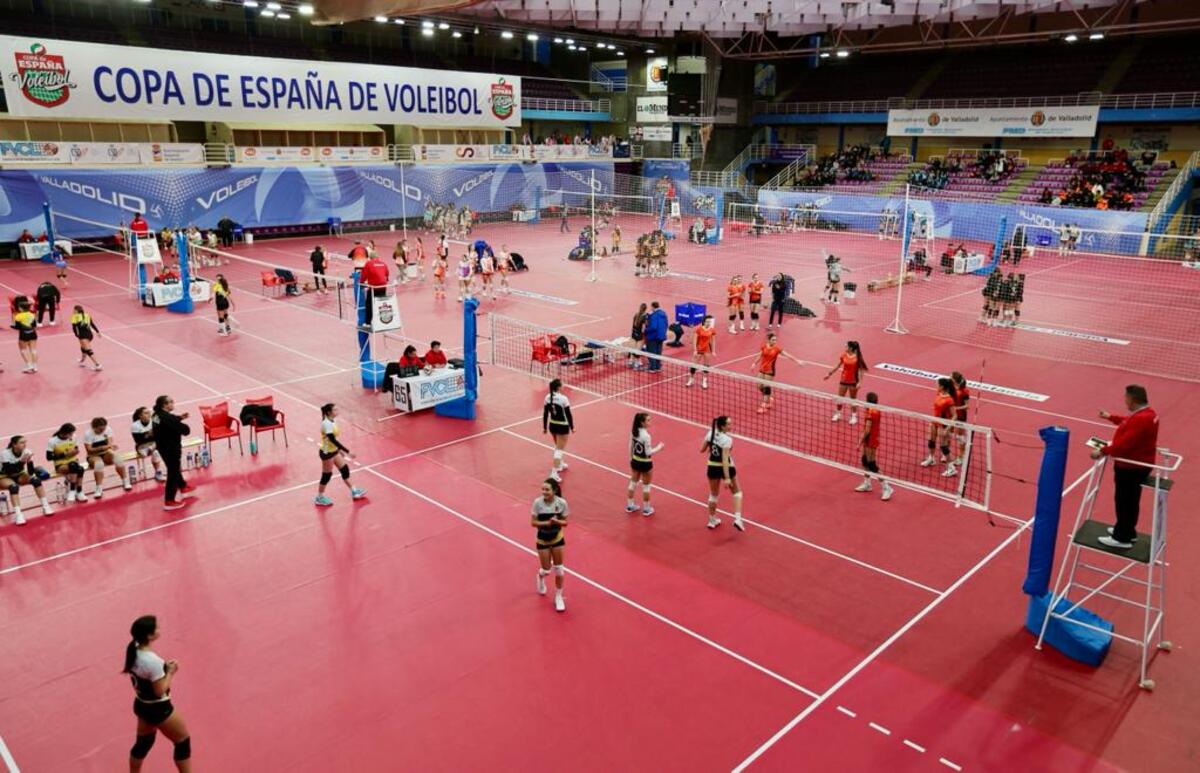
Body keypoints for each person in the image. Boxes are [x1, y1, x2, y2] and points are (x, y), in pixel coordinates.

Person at [123, 615, 193, 773]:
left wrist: (162, 670)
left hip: (141, 704)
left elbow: (145, 676)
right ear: (149, 635)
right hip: (158, 708)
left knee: (144, 742)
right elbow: (159, 690)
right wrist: (170, 672)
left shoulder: (133, 650)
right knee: (182, 741)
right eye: (157, 627)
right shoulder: (152, 661)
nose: (159, 629)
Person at [1093, 385, 1159, 549]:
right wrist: (1110, 417)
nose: (1125, 400)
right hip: (1138, 465)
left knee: (1124, 501)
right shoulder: (1148, 414)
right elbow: (1127, 422)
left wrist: (1102, 451)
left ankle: (1121, 538)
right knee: (1131, 500)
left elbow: (1124, 445)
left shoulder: (1140, 419)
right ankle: (1127, 530)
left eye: (1126, 398)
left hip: (1130, 468)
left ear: (1133, 399)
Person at [314, 403, 367, 507]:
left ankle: (354, 491)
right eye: (335, 410)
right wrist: (347, 451)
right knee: (327, 475)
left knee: (344, 469)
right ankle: (319, 497)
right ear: (329, 412)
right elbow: (332, 440)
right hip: (327, 453)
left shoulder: (332, 421)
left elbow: (334, 440)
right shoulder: (327, 424)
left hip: (333, 450)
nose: (337, 411)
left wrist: (339, 451)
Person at [531, 478, 569, 612]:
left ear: (554, 490)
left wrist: (557, 521)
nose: (544, 492)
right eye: (543, 489)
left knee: (559, 569)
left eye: (547, 489)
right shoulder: (537, 503)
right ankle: (540, 577)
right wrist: (547, 523)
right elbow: (533, 523)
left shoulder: (562, 503)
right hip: (542, 539)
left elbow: (565, 523)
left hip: (557, 538)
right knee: (546, 569)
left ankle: (558, 596)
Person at [702, 416, 744, 531]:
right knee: (737, 493)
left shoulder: (710, 433)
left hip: (712, 466)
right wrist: (727, 478)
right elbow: (725, 459)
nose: (731, 426)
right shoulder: (727, 439)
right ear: (722, 426)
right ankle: (738, 519)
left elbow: (702, 449)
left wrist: (712, 444)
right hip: (726, 467)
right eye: (729, 424)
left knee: (713, 494)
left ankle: (712, 520)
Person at [1, 435, 54, 525]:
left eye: (25, 442)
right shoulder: (5, 454)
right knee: (13, 487)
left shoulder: (26, 452)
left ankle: (46, 506)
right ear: (14, 445)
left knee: (36, 480)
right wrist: (21, 461)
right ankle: (18, 514)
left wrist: (29, 461)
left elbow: (30, 472)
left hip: (19, 474)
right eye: (21, 442)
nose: (24, 445)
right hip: (4, 476)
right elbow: (8, 471)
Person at [153, 395, 194, 511]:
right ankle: (169, 500)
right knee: (173, 471)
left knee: (174, 468)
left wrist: (179, 417)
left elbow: (168, 421)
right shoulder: (167, 418)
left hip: (162, 447)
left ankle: (183, 486)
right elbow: (185, 430)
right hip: (171, 448)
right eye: (170, 402)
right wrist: (183, 425)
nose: (173, 403)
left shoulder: (156, 415)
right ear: (164, 405)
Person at [855, 393, 893, 501]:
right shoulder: (875, 409)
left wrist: (859, 442)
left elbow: (867, 430)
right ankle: (867, 484)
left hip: (871, 440)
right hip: (872, 439)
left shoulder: (871, 412)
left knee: (872, 465)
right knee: (865, 461)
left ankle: (887, 487)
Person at [752, 332, 802, 414]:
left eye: (775, 340)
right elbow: (760, 355)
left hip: (770, 371)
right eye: (773, 340)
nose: (774, 341)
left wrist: (797, 361)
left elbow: (787, 355)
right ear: (768, 340)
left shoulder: (777, 349)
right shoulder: (764, 346)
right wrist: (754, 363)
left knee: (766, 387)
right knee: (759, 386)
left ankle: (763, 406)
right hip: (762, 369)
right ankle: (770, 397)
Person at [626, 412, 664, 516]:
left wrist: (631, 459)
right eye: (648, 420)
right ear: (642, 423)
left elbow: (630, 446)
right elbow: (648, 453)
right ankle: (647, 509)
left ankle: (630, 505)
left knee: (633, 482)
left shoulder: (634, 432)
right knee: (646, 486)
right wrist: (659, 448)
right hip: (645, 463)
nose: (650, 421)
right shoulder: (646, 436)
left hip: (635, 460)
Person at [84, 417, 132, 497]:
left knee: (118, 458)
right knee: (99, 464)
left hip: (106, 453)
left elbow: (110, 444)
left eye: (103, 429)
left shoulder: (108, 429)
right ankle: (99, 488)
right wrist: (103, 448)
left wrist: (107, 447)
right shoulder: (88, 434)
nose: (102, 431)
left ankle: (125, 481)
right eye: (100, 430)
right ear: (94, 427)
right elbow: (89, 450)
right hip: (93, 456)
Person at [920, 378, 958, 478]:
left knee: (943, 446)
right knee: (931, 441)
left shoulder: (949, 399)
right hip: (934, 421)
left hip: (943, 424)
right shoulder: (939, 393)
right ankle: (931, 458)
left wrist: (947, 429)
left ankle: (951, 468)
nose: (936, 385)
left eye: (938, 384)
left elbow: (955, 416)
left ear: (942, 386)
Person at [825, 341, 868, 425]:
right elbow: (837, 365)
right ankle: (838, 414)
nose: (845, 347)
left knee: (853, 400)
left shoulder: (857, 358)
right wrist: (829, 374)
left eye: (846, 346)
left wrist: (859, 382)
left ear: (851, 348)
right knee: (840, 398)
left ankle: (854, 416)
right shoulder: (844, 355)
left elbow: (860, 371)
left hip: (853, 382)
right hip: (843, 380)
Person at [47, 423, 89, 502]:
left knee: (80, 468)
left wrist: (75, 452)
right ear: (63, 432)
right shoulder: (53, 441)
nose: (72, 435)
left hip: (73, 462)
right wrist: (64, 454)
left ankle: (79, 492)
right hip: (60, 465)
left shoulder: (73, 437)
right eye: (70, 433)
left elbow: (76, 448)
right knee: (75, 467)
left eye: (72, 433)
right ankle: (73, 490)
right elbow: (49, 457)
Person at [542, 378, 574, 482]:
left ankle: (560, 464)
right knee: (559, 449)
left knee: (557, 446)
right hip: (562, 426)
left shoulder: (547, 397)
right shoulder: (563, 399)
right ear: (558, 387)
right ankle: (554, 473)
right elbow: (568, 414)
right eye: (562, 384)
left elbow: (546, 414)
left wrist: (544, 427)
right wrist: (572, 427)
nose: (563, 386)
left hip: (552, 425)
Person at [131, 407, 167, 483]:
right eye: (146, 413)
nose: (149, 414)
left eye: (149, 412)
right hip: (142, 446)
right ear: (140, 416)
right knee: (156, 447)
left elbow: (162, 434)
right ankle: (150, 448)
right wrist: (149, 434)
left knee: (156, 452)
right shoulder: (135, 425)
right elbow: (138, 440)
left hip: (156, 444)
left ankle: (158, 472)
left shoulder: (155, 420)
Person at [360, 251, 390, 328]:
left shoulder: (369, 263)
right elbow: (387, 274)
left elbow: (363, 276)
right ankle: (384, 321)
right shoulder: (383, 263)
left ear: (370, 257)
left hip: (374, 287)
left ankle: (368, 323)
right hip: (383, 287)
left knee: (369, 304)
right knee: (381, 304)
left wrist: (361, 283)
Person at [687, 315, 717, 389]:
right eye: (707, 321)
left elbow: (713, 341)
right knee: (694, 365)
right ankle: (691, 379)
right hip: (699, 349)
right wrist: (695, 350)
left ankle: (704, 381)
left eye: (709, 322)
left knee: (706, 366)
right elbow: (694, 340)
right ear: (704, 321)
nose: (708, 323)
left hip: (707, 350)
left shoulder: (712, 330)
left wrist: (713, 351)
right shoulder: (699, 329)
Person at [71, 304, 103, 370]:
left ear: (76, 311)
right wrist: (97, 332)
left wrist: (76, 335)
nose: (73, 311)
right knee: (83, 347)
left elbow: (74, 327)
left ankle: (98, 365)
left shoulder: (74, 317)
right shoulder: (87, 315)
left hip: (83, 335)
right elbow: (92, 324)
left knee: (88, 350)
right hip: (90, 334)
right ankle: (82, 360)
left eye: (74, 310)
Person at [12, 297, 39, 373]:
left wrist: (12, 326)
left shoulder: (18, 316)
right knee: (33, 350)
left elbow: (17, 327)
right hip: (33, 334)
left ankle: (29, 366)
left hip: (23, 335)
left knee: (23, 350)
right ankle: (35, 366)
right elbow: (34, 325)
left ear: (21, 308)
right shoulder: (32, 315)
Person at [642, 301, 668, 372]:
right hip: (661, 336)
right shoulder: (663, 313)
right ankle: (658, 367)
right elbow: (666, 324)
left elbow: (653, 327)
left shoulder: (654, 315)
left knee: (651, 351)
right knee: (658, 352)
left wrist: (645, 330)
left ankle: (652, 368)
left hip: (653, 337)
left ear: (653, 307)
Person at [628, 303, 648, 369]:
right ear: (645, 309)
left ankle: (631, 361)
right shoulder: (645, 316)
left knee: (633, 349)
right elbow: (643, 329)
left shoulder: (636, 315)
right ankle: (636, 363)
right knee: (638, 350)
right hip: (640, 335)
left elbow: (633, 325)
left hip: (634, 334)